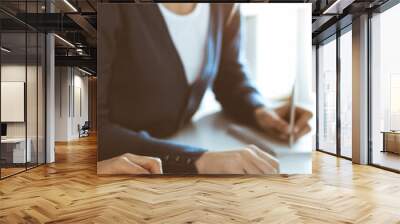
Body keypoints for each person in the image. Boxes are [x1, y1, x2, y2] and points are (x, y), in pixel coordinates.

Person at [97, 3, 312, 175]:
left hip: (183, 140)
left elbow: (230, 75)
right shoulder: (111, 9)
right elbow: (97, 130)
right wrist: (194, 159)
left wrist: (260, 111)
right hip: (125, 165)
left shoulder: (224, 7)